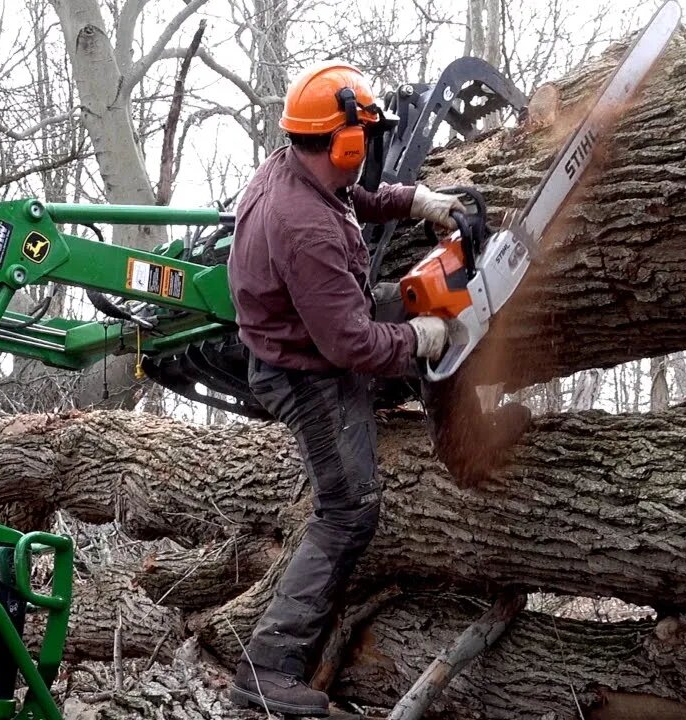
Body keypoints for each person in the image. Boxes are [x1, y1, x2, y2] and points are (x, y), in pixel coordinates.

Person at [225, 60, 463, 716]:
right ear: (345, 144)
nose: (365, 155)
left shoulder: (297, 166)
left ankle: (454, 413)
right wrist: (418, 341)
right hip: (305, 373)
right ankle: (267, 666)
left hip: (312, 335)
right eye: (362, 144)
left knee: (420, 299)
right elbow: (350, 346)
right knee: (349, 509)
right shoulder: (306, 228)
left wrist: (415, 200)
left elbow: (351, 197)